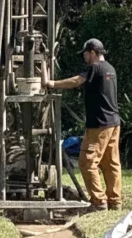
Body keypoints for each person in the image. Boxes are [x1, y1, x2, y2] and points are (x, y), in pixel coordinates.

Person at [46, 38, 122, 212]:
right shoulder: (110, 68)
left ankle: (98, 201)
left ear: (93, 53)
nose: (84, 58)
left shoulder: (95, 67)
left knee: (87, 161)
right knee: (111, 163)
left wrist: (52, 84)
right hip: (113, 122)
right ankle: (115, 201)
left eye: (86, 54)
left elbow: (76, 81)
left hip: (99, 124)